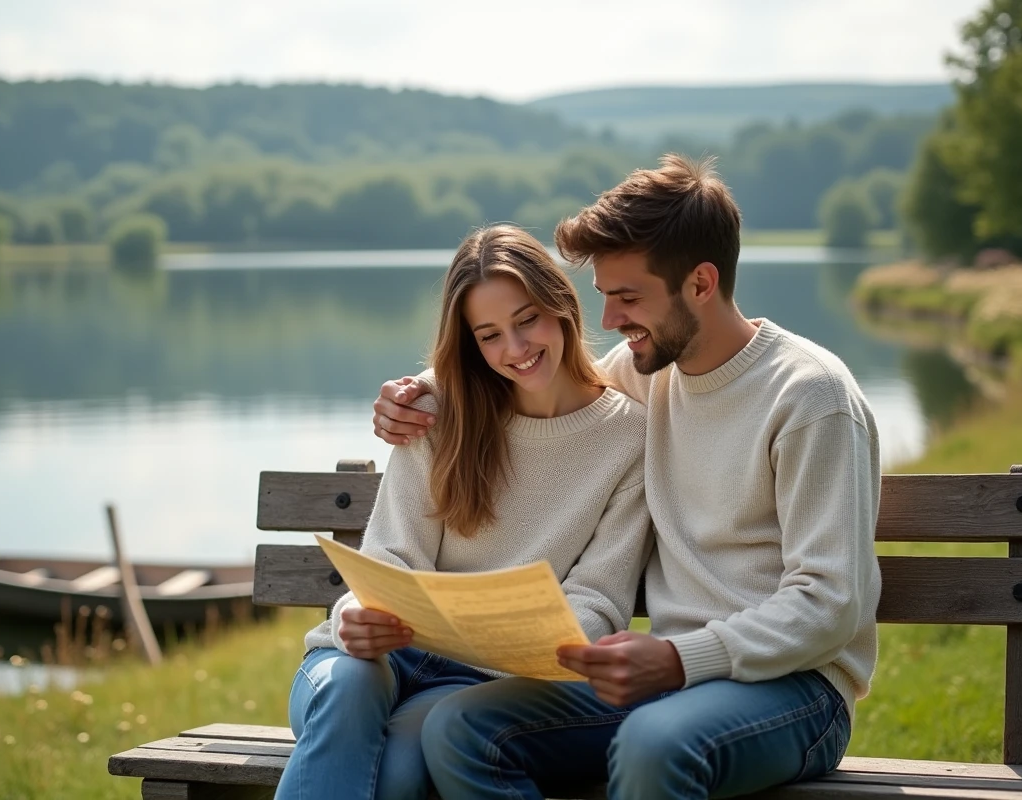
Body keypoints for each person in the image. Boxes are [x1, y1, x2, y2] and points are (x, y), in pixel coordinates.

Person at [370, 155, 883, 800]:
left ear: (700, 282)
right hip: (666, 678)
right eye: (605, 295)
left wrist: (676, 659)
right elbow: (538, 376)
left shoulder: (808, 398)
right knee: (459, 726)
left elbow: (829, 602)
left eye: (629, 297)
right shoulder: (644, 369)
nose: (608, 318)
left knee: (653, 744)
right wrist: (425, 396)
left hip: (794, 689)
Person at [274, 224, 652, 800]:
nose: (515, 350)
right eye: (490, 335)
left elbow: (599, 597)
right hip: (367, 664)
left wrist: (530, 636)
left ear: (562, 306)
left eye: (527, 320)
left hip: (471, 686)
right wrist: (355, 613)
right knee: (348, 691)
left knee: (396, 779)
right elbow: (390, 555)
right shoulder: (436, 409)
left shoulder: (629, 436)